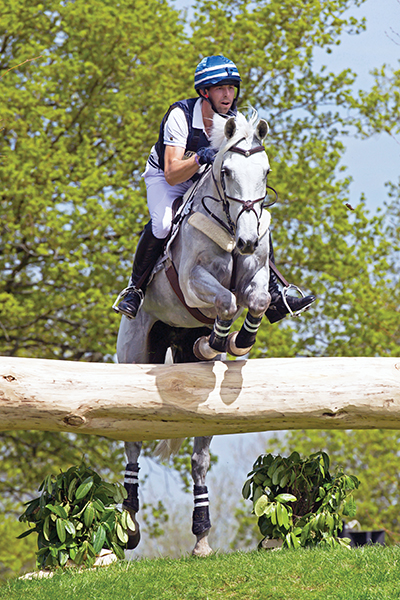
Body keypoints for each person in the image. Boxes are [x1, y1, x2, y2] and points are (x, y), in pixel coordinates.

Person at [114, 55, 315, 323]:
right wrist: (198, 158)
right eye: (220, 88)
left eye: (231, 88)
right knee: (163, 223)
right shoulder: (180, 116)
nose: (228, 94)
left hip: (206, 177)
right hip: (166, 177)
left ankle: (276, 294)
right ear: (204, 92)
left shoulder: (236, 119)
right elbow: (173, 173)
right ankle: (135, 289)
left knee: (254, 218)